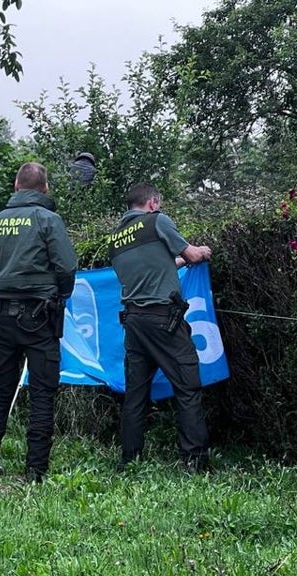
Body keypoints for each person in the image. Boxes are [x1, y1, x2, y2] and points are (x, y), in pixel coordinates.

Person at [0, 162, 78, 481]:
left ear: (16, 186)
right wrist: (60, 296)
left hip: (3, 316)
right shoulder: (49, 219)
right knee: (43, 392)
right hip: (40, 316)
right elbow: (66, 267)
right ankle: (35, 469)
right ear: (44, 188)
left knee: (1, 389)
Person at [107, 182, 212, 472]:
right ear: (152, 202)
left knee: (136, 393)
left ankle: (130, 460)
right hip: (164, 320)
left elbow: (154, 267)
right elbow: (190, 255)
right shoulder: (157, 221)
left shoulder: (115, 240)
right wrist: (201, 252)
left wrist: (176, 262)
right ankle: (195, 462)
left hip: (134, 323)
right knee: (188, 386)